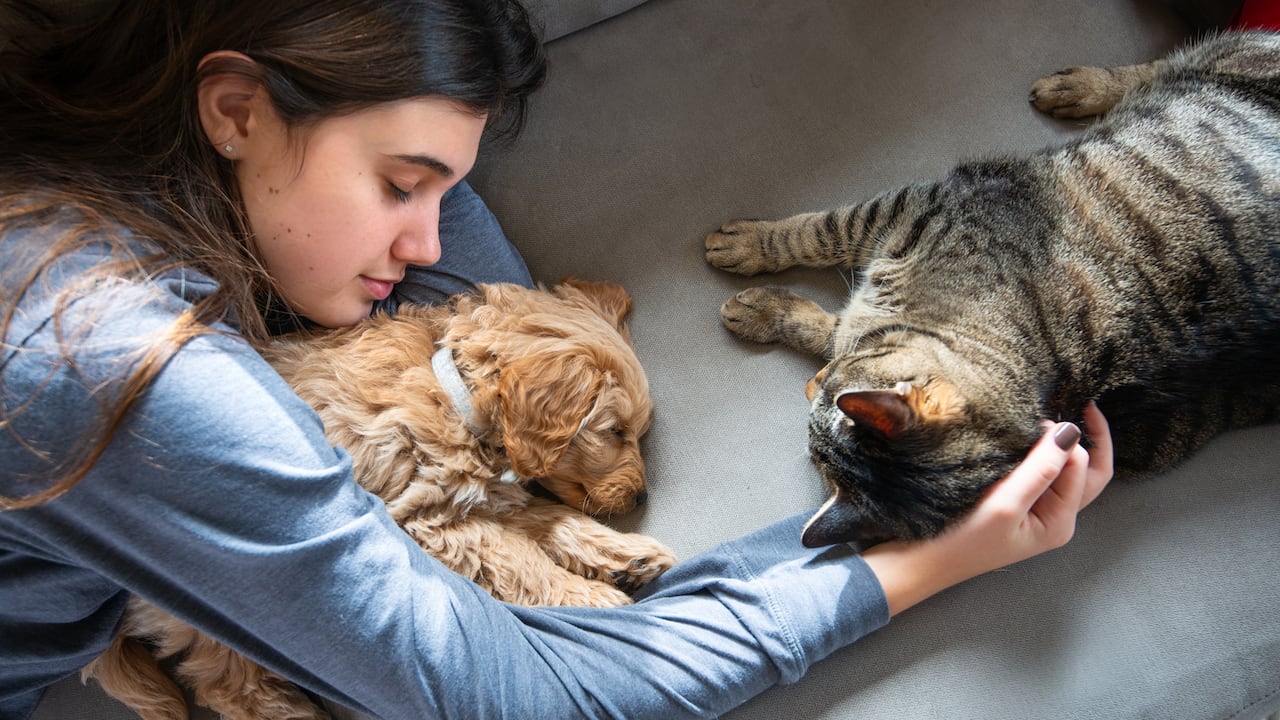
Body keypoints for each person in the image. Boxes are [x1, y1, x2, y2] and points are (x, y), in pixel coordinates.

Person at [0, 1, 1114, 718]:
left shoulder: (100, 157)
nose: (424, 243)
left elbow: (487, 314)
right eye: (401, 184)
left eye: (443, 187)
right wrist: (925, 564)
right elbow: (526, 697)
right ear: (234, 107)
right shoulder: (111, 358)